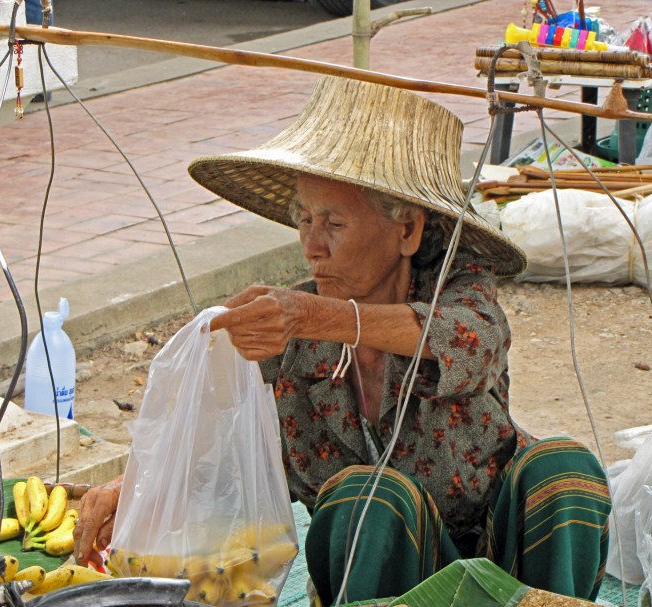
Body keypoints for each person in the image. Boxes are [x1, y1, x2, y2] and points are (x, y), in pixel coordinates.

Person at [73, 77, 611, 604]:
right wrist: (137, 485)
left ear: (407, 231)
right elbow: (231, 450)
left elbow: (468, 342)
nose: (312, 247)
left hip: (501, 557)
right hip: (381, 577)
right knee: (370, 495)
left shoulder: (459, 291)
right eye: (304, 220)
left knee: (563, 469)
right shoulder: (292, 338)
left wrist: (316, 315)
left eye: (333, 224)